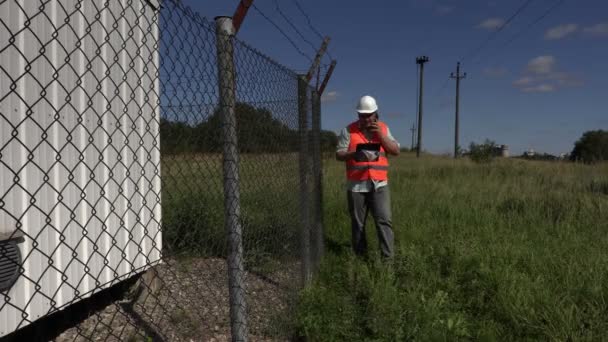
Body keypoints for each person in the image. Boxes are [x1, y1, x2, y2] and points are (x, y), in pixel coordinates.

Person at [335, 95, 400, 259]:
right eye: (361, 115)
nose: (365, 119)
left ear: (376, 114)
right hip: (356, 186)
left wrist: (382, 137)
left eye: (368, 115)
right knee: (358, 224)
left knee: (384, 222)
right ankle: (360, 259)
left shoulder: (384, 128)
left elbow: (395, 150)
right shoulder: (348, 130)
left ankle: (388, 262)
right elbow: (339, 154)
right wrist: (354, 153)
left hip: (379, 185)